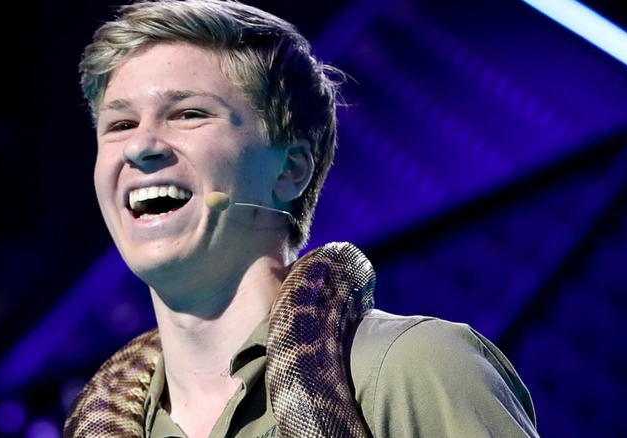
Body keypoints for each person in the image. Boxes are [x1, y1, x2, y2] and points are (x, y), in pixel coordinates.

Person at [64, 0, 539, 437]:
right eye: (120, 124)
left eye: (188, 114)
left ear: (289, 172)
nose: (141, 146)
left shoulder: (410, 368)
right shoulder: (103, 418)